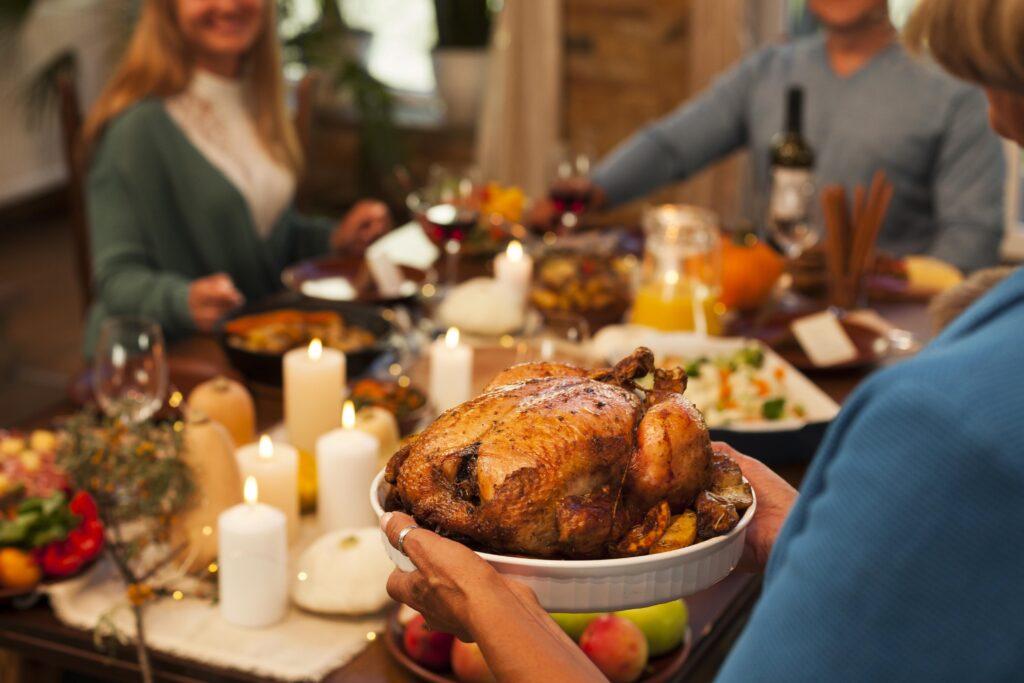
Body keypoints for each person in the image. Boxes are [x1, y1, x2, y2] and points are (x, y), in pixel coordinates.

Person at [381, 1, 1024, 678]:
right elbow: (674, 140)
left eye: (995, 83)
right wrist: (811, 539)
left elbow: (965, 250)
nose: (991, 114)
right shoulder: (777, 69)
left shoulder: (937, 422)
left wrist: (489, 606)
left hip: (869, 339)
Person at [542, 0, 1005, 273]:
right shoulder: (769, 70)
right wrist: (595, 189)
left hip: (881, 337)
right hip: (770, 323)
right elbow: (674, 144)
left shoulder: (954, 91)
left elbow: (971, 239)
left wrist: (891, 286)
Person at [80, 0, 390, 354]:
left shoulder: (259, 102)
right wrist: (183, 301)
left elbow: (263, 242)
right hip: (164, 366)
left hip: (255, 346)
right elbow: (116, 280)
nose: (228, 5)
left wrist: (334, 238)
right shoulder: (135, 128)